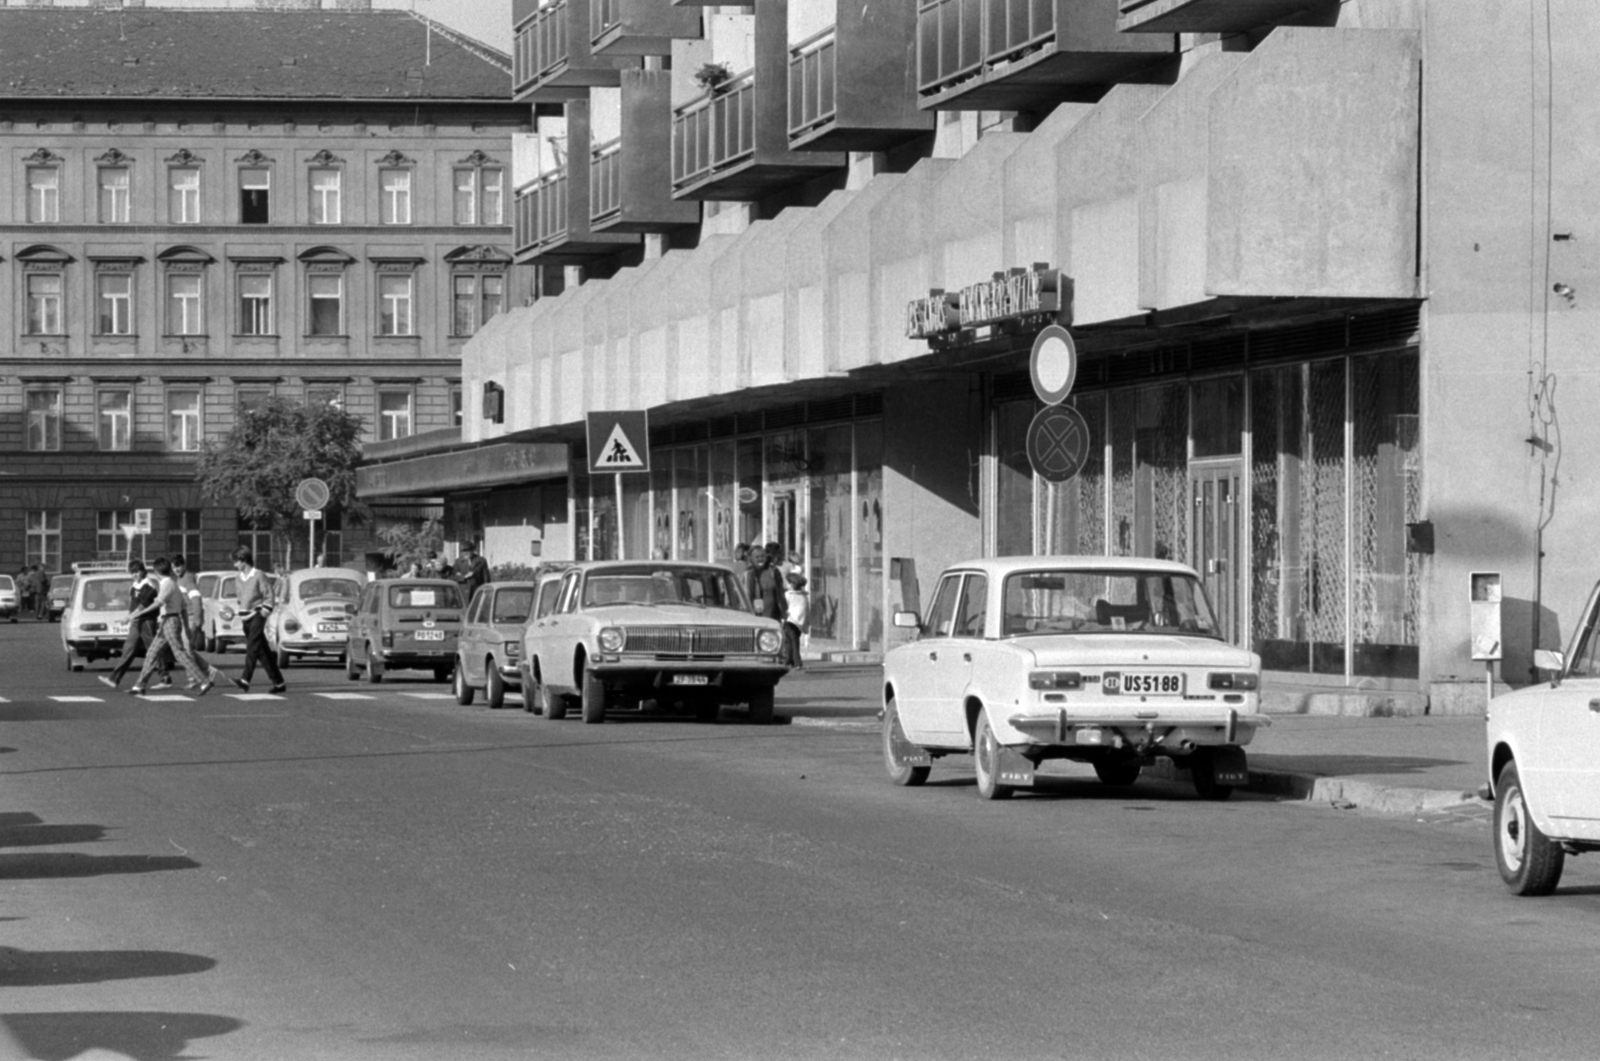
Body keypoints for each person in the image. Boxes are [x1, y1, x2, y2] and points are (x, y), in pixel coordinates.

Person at [127, 557, 216, 695]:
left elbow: (158, 602)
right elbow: (184, 608)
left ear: (156, 572)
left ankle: (204, 681)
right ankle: (139, 685)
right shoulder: (173, 584)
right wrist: (186, 627)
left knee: (180, 654)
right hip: (169, 622)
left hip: (170, 621)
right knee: (152, 653)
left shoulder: (167, 584)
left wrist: (137, 614)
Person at [102, 560, 171, 691]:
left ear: (143, 571)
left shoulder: (149, 585)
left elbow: (143, 605)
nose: (134, 575)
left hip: (147, 621)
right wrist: (130, 616)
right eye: (132, 572)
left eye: (137, 572)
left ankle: (165, 677)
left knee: (153, 650)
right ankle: (114, 679)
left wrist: (128, 617)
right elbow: (132, 604)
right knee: (128, 649)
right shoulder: (133, 586)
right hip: (136, 622)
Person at [232, 546, 284, 694]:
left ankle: (245, 680)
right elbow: (240, 597)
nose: (235, 565)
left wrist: (263, 613)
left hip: (257, 615)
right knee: (263, 652)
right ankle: (279, 683)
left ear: (244, 560)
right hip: (245, 618)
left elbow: (269, 594)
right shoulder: (238, 578)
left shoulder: (259, 575)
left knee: (252, 648)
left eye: (236, 562)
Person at [748, 547, 786, 622]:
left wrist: (783, 611)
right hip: (753, 616)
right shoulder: (748, 574)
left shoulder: (774, 572)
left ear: (766, 558)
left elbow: (780, 592)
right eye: (757, 557)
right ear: (752, 559)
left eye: (762, 556)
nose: (760, 559)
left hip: (773, 616)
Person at [783, 572, 809, 670]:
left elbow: (784, 607)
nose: (786, 585)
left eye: (788, 583)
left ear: (792, 584)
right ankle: (789, 660)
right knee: (792, 640)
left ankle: (797, 662)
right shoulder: (804, 596)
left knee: (791, 641)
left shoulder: (788, 595)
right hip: (799, 621)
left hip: (790, 620)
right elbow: (806, 610)